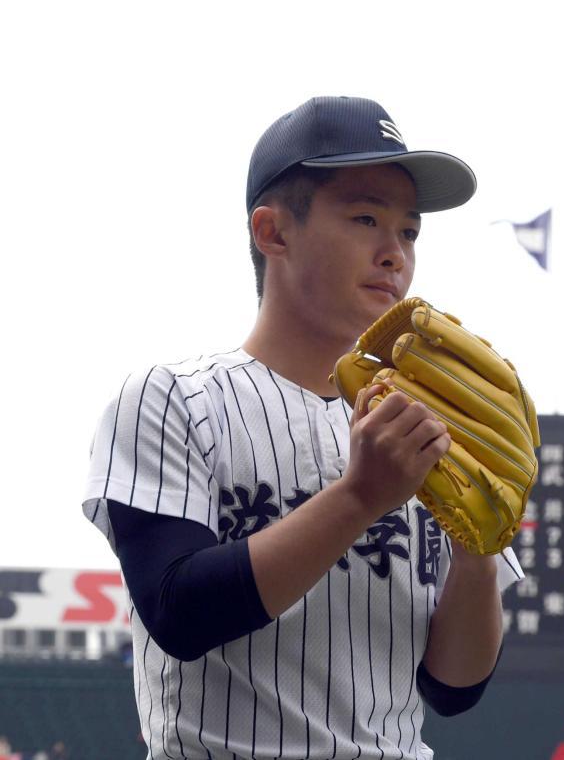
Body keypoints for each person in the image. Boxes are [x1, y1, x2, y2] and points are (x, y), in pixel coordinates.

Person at [82, 96, 522, 759]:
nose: (393, 252)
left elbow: (453, 687)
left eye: (408, 231)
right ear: (273, 231)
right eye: (366, 217)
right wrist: (359, 497)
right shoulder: (174, 397)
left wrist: (480, 549)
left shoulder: (431, 423)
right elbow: (178, 609)